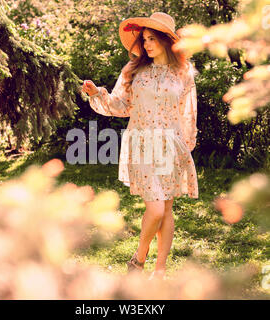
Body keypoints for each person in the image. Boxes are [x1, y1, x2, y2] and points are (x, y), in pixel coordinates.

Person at [82, 12, 199, 280]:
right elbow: (121, 106)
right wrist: (98, 94)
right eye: (144, 39)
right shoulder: (133, 70)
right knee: (156, 208)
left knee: (167, 210)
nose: (146, 44)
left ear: (168, 41)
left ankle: (160, 271)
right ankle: (140, 256)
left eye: (152, 39)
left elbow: (187, 112)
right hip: (141, 143)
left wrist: (186, 146)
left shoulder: (184, 74)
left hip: (171, 145)